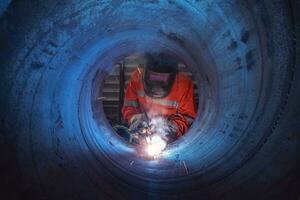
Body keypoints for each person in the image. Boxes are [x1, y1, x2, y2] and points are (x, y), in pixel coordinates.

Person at [120, 52, 196, 144]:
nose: (157, 83)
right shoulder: (137, 77)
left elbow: (187, 117)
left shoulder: (184, 84)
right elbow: (129, 107)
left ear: (172, 76)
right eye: (153, 76)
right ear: (145, 72)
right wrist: (135, 120)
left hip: (169, 138)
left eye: (163, 78)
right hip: (142, 132)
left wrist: (171, 129)